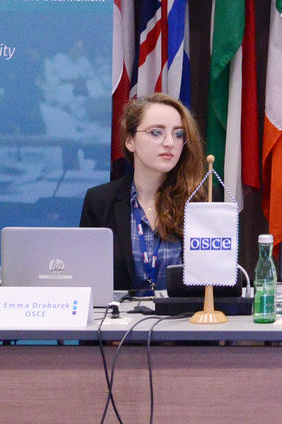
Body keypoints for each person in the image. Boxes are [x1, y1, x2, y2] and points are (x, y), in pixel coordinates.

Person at [80, 92, 208, 293]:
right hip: (119, 313)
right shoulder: (100, 201)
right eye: (156, 132)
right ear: (130, 141)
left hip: (184, 313)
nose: (169, 142)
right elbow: (86, 278)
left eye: (178, 134)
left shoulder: (202, 200)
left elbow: (218, 281)